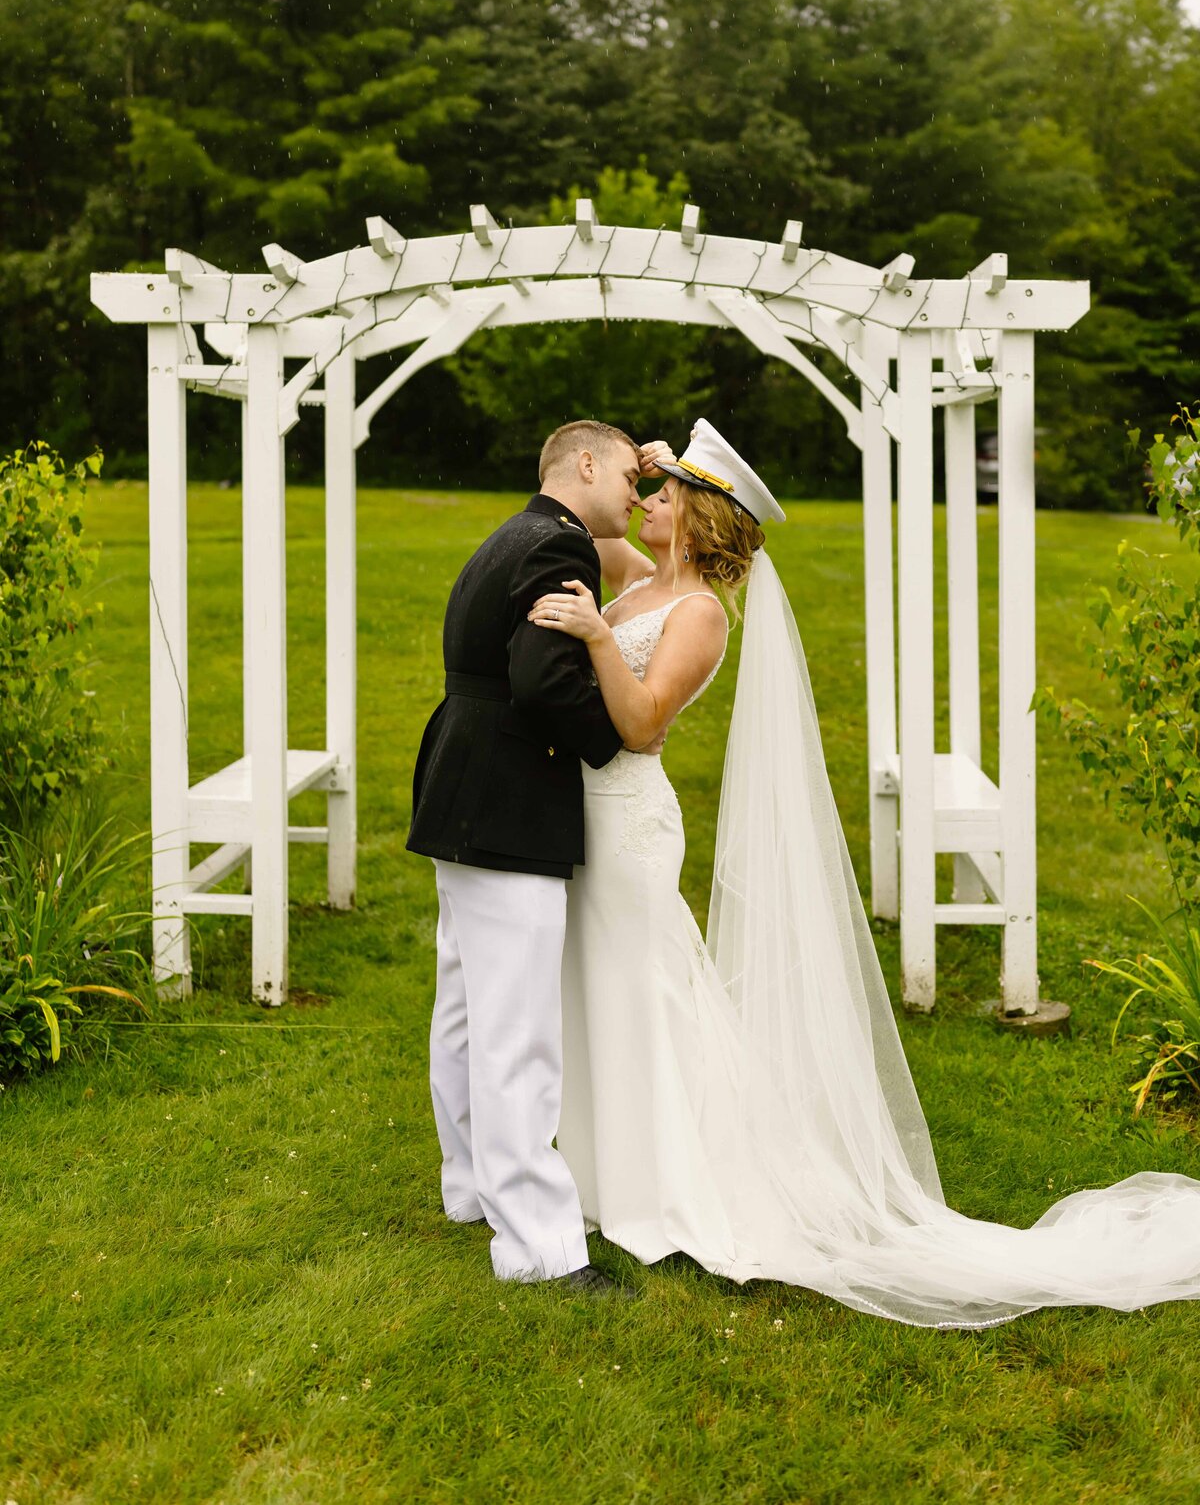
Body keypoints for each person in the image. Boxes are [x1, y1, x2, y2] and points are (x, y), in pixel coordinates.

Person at [527, 418, 1200, 1327]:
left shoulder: (699, 617)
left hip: (632, 825)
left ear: (694, 516)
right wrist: (650, 464)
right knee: (608, 989)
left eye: (664, 494)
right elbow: (598, 523)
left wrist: (597, 640)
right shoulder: (642, 580)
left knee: (650, 993)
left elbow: (644, 723)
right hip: (593, 822)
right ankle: (613, 1165)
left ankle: (680, 1182)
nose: (645, 501)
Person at [407, 419, 664, 1291]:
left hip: (459, 791)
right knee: (517, 1030)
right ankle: (540, 1249)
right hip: (510, 799)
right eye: (628, 475)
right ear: (582, 466)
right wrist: (618, 741)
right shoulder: (563, 546)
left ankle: (470, 1187)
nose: (635, 492)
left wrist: (657, 472)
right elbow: (543, 679)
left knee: (468, 1009)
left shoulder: (509, 534)